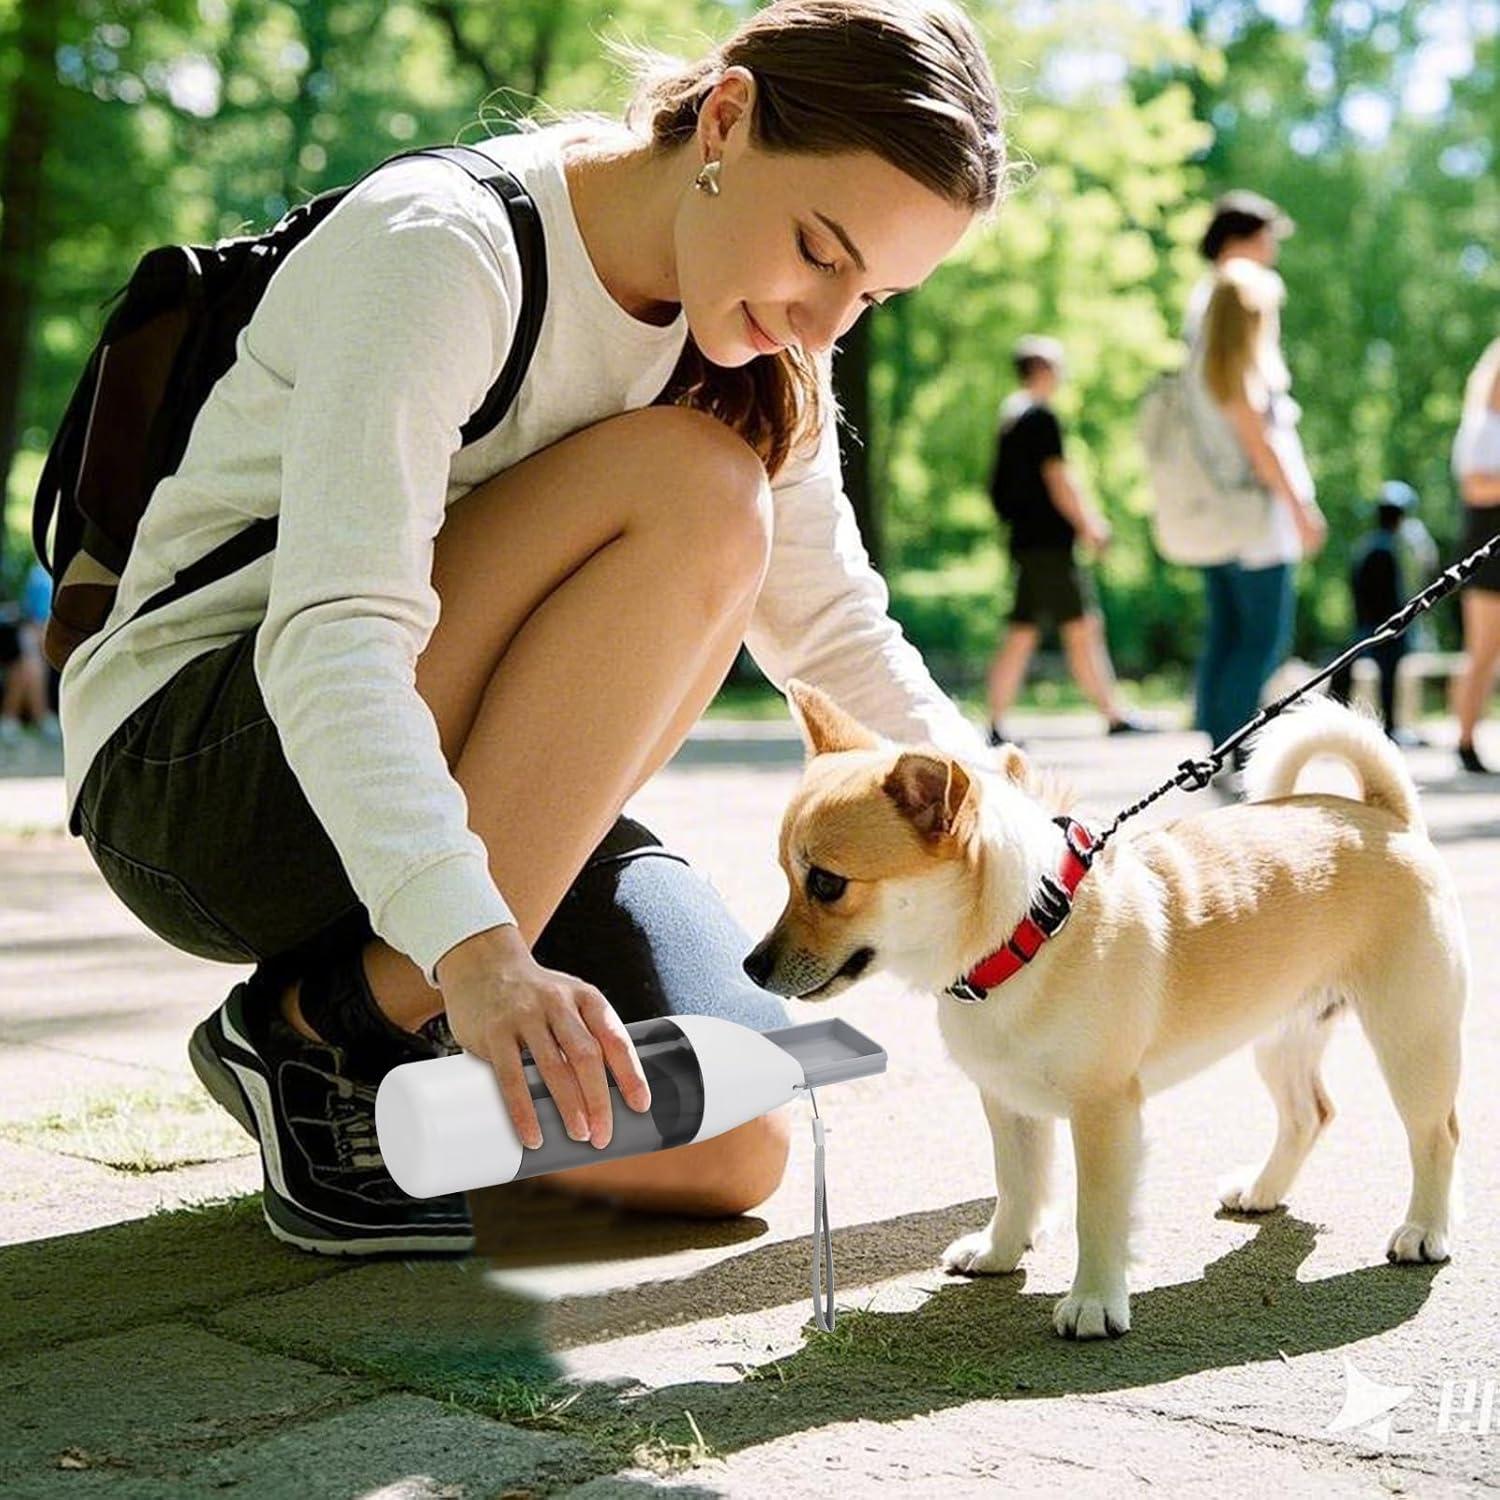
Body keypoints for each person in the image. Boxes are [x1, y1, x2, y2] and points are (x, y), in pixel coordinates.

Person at [57, 0, 1006, 1255]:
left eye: (872, 293)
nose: (828, 323)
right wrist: (480, 955)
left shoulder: (761, 339)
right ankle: (370, 1025)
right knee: (698, 487)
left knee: (736, 1132)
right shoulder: (445, 248)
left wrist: (1030, 857)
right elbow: (333, 636)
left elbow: (832, 632)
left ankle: (315, 1050)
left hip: (460, 800)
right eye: (821, 251)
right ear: (725, 118)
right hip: (206, 777)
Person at [1189, 258, 1326, 769]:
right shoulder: (1240, 374)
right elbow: (1264, 451)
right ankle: (1238, 744)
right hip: (1259, 526)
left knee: (1226, 633)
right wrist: (1302, 510)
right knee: (1262, 638)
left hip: (1221, 522)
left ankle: (1216, 739)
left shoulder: (1203, 371)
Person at [983, 335, 1147, 746]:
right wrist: (1090, 524)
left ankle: (996, 722)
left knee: (1023, 631)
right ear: (1040, 369)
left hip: (1026, 542)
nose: (1061, 375)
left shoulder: (1011, 417)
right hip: (1049, 546)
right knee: (1083, 627)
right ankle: (1113, 715)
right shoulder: (1040, 417)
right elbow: (1058, 479)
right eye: (1057, 367)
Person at [1329, 481, 1427, 741]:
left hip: (1364, 625)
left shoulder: (1366, 546)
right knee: (1388, 675)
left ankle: (1338, 722)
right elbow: (1390, 596)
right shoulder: (1386, 550)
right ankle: (1390, 728)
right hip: (1380, 627)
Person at [1451, 336, 1500, 774]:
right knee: (1482, 648)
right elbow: (1475, 487)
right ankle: (1464, 738)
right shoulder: (1483, 426)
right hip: (1487, 545)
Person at [1184, 189, 1295, 344]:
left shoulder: (1259, 288)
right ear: (1234, 242)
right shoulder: (1219, 293)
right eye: (1264, 238)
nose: (1272, 249)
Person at [0, 559, 59, 753]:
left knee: (27, 658)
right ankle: (38, 717)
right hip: (29, 636)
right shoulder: (39, 576)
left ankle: (14, 718)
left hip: (30, 637)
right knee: (28, 656)